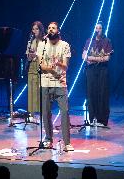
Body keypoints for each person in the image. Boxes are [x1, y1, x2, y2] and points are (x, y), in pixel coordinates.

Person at [36, 22, 74, 151]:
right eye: (49, 28)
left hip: (60, 83)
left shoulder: (65, 45)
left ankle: (67, 142)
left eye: (53, 28)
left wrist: (58, 63)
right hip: (45, 83)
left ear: (58, 30)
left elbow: (65, 66)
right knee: (46, 112)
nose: (51, 29)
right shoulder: (42, 45)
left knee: (64, 111)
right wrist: (50, 68)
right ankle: (48, 139)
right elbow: (41, 66)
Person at [82, 22, 113, 126]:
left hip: (102, 70)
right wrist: (97, 59)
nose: (98, 30)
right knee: (91, 93)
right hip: (90, 70)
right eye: (96, 28)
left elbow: (107, 58)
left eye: (100, 28)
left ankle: (102, 120)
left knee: (102, 94)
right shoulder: (89, 41)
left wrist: (92, 58)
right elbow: (84, 56)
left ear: (102, 30)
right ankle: (92, 118)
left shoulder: (107, 41)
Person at [25, 21, 45, 121]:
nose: (34, 31)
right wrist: (30, 55)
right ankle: (31, 114)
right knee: (31, 91)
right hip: (32, 67)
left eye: (36, 29)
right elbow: (28, 57)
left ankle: (41, 113)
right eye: (33, 29)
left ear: (40, 30)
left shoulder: (45, 40)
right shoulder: (30, 41)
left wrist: (36, 54)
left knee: (40, 91)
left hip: (41, 68)